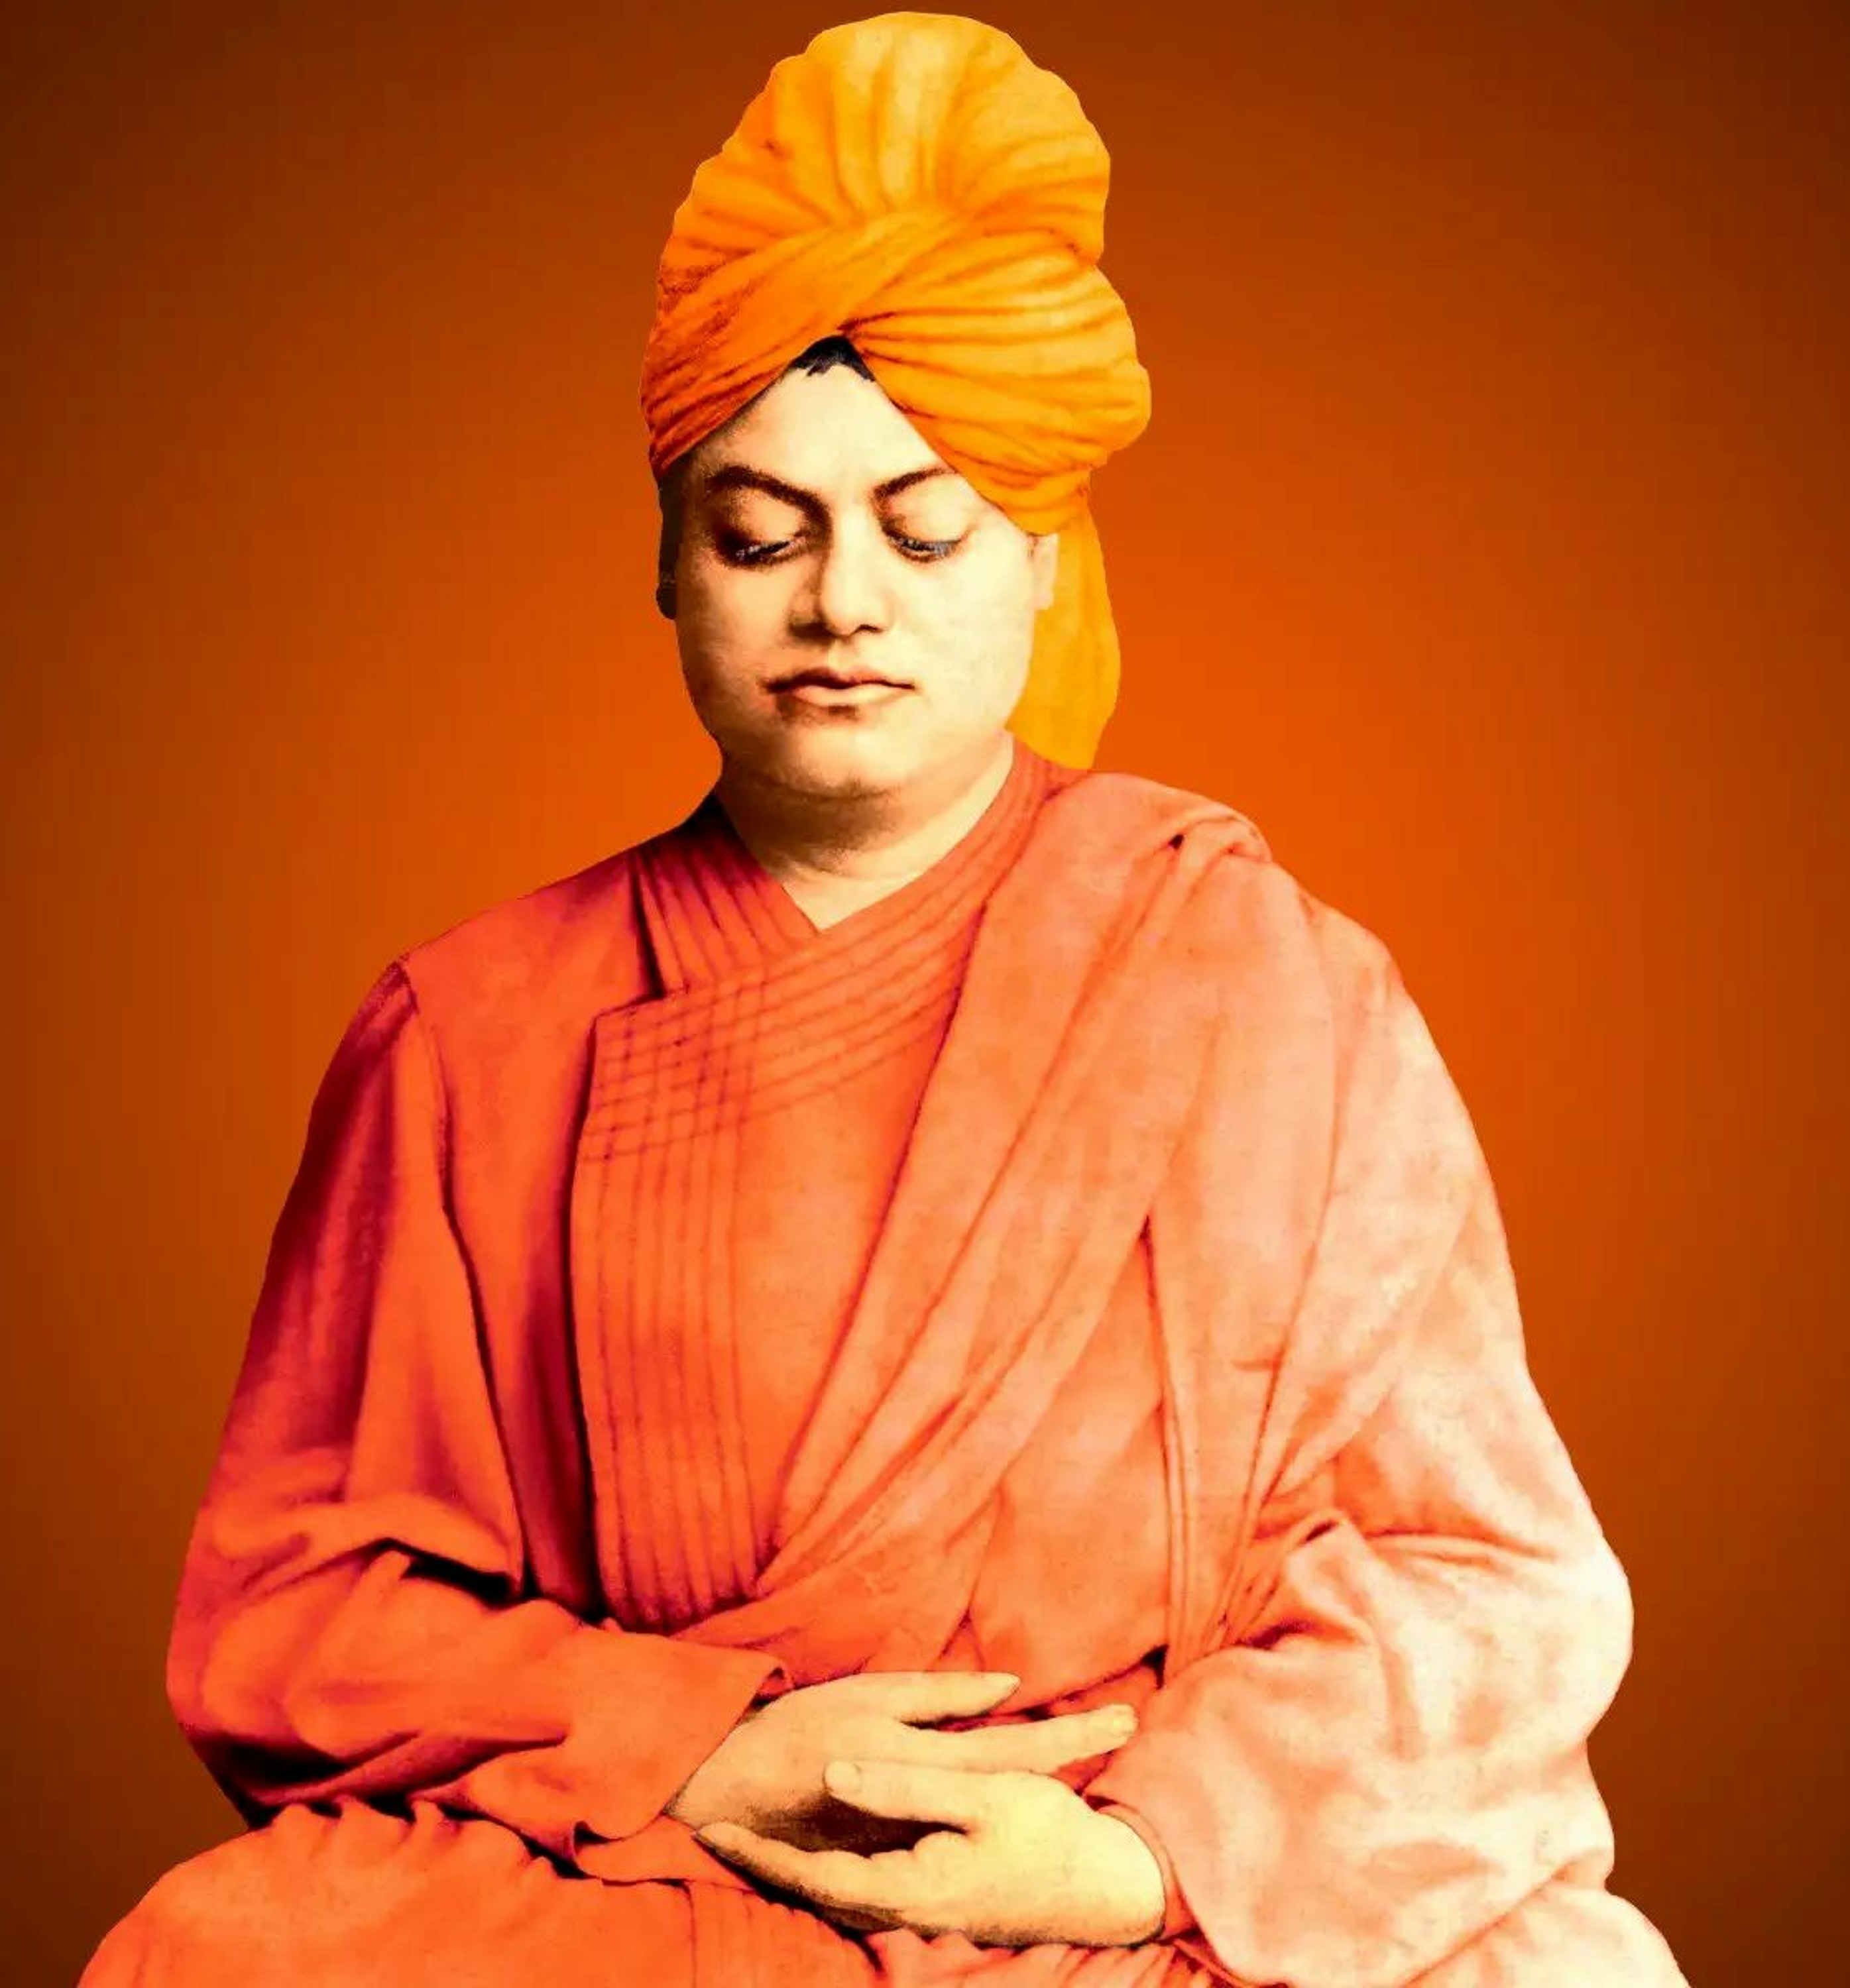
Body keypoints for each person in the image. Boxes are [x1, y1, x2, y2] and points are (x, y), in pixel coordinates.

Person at [82, 13, 1690, 1985]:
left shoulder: (1274, 992)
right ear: (668, 569)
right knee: (228, 1955)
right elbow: (294, 1616)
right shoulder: (468, 1034)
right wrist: (691, 1748)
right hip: (650, 1880)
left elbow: (1487, 1580)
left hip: (1154, 1884)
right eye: (761, 533)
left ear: (1047, 564)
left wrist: (1137, 1860)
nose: (844, 601)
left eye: (925, 531)